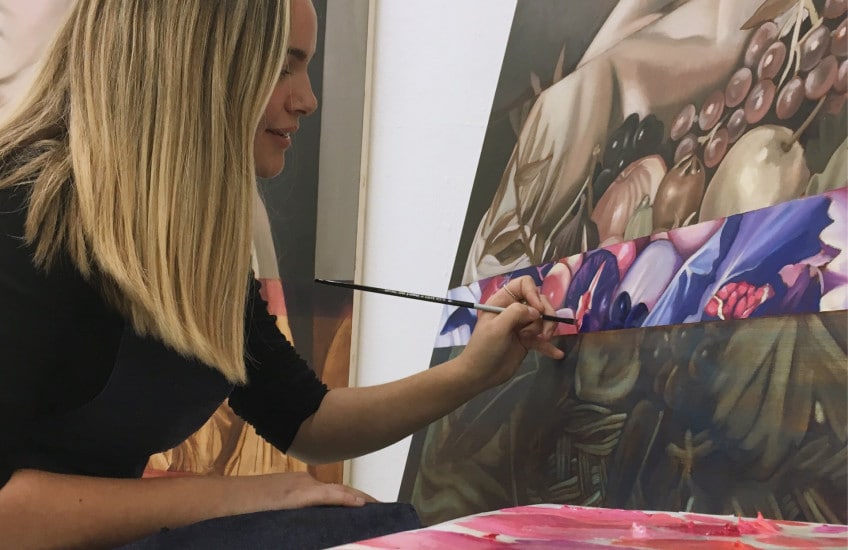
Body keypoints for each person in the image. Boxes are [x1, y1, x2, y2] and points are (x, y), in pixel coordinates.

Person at [0, 0, 564, 548]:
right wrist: (233, 496)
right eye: (282, 66)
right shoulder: (19, 215)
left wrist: (472, 372)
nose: (309, 100)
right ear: (191, 62)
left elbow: (307, 419)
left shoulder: (188, 248)